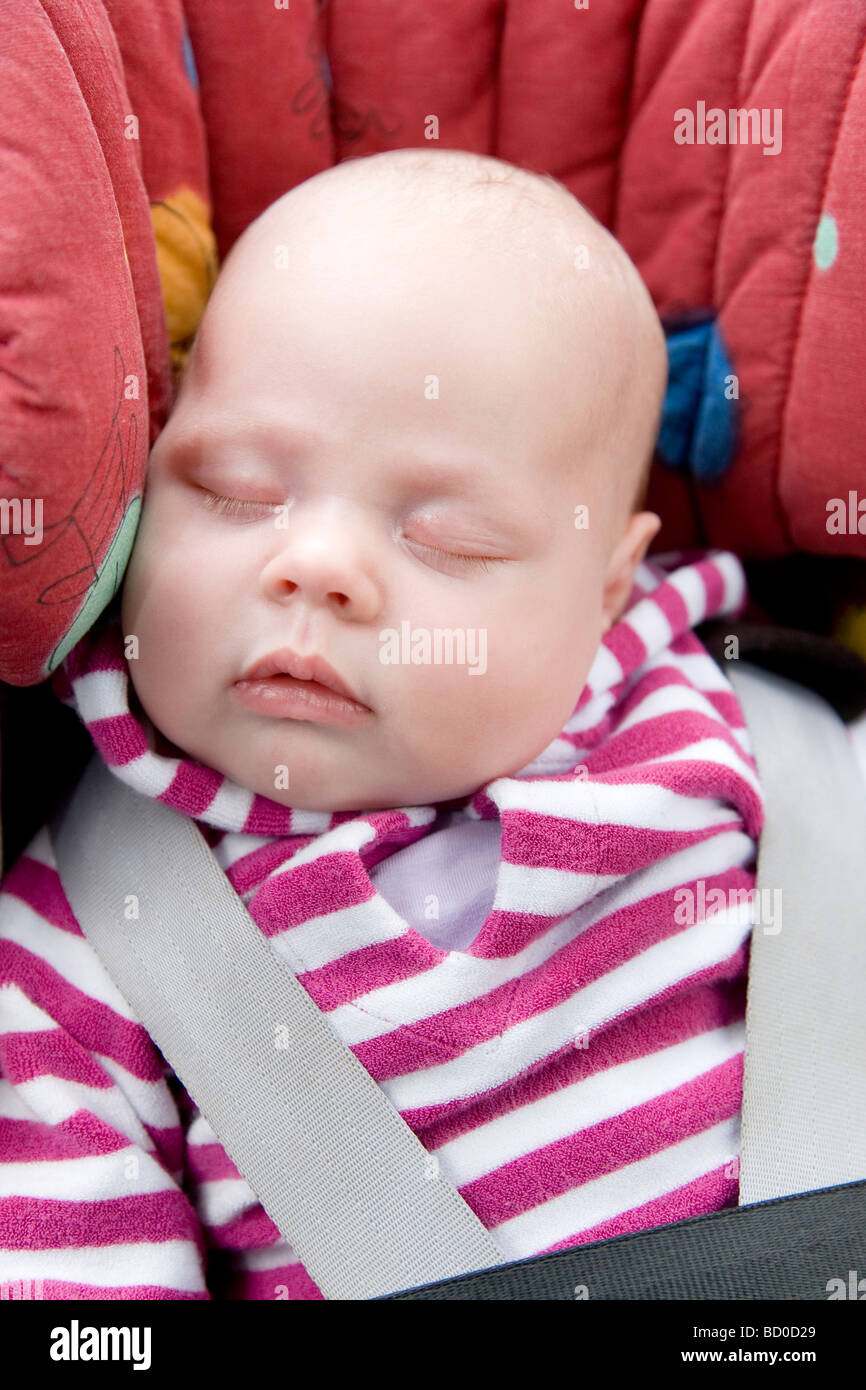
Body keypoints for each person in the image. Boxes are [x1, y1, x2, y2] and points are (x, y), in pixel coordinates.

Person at [0, 148, 762, 1300]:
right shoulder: (83, 941)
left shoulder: (740, 744)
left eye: (446, 540)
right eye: (238, 491)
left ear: (602, 589)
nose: (314, 568)